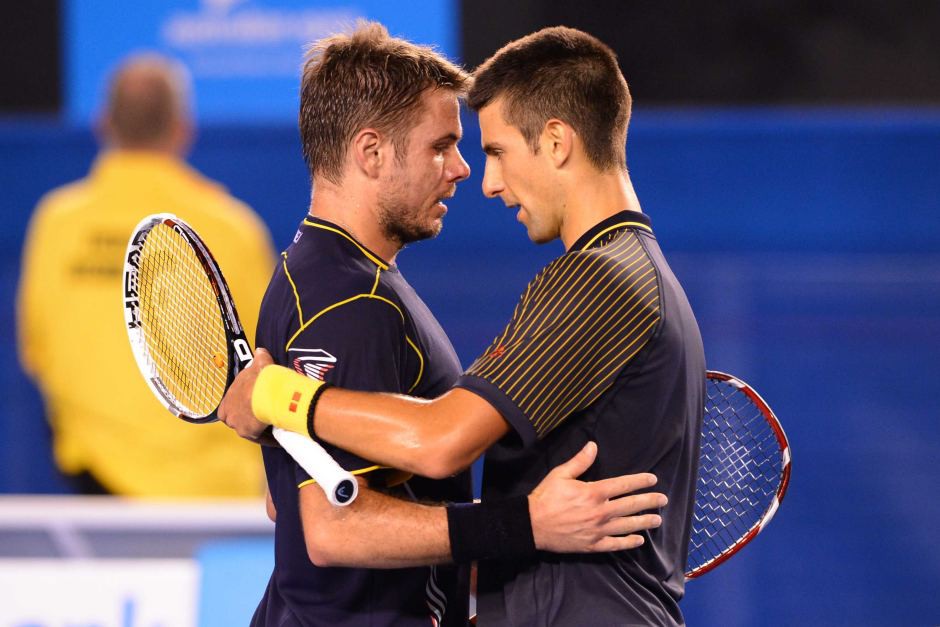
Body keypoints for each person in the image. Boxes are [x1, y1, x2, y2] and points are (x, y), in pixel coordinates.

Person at [222, 26, 705, 626]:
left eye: (494, 151)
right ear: (369, 152)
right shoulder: (348, 293)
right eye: (444, 146)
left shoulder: (600, 280)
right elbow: (324, 516)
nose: (482, 179)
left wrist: (272, 399)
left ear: (556, 142)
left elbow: (438, 440)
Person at [16, 53, 275, 497]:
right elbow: (269, 356)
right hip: (219, 493)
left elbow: (36, 352)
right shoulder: (234, 228)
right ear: (182, 129)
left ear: (103, 124)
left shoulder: (55, 221)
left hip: (99, 484)